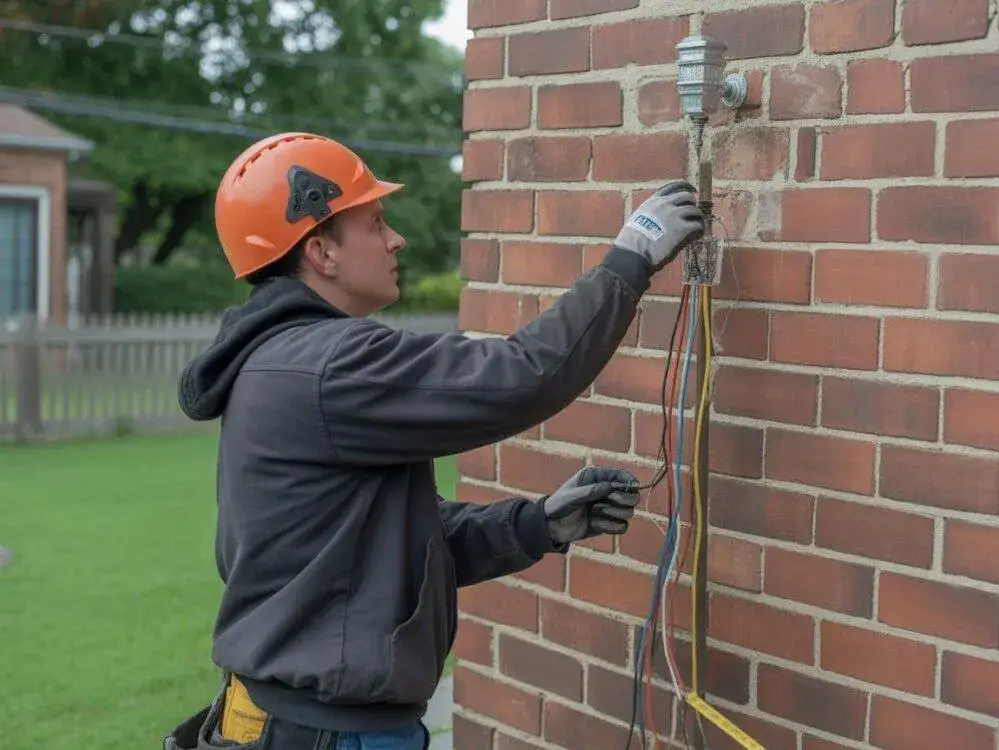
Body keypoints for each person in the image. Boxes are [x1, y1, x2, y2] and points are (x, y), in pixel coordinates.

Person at [164, 132, 705, 750]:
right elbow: (520, 376)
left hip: (303, 720)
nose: (397, 239)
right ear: (321, 252)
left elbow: (379, 547)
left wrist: (538, 525)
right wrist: (630, 257)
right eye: (375, 223)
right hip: (331, 735)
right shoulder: (328, 366)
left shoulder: (286, 363)